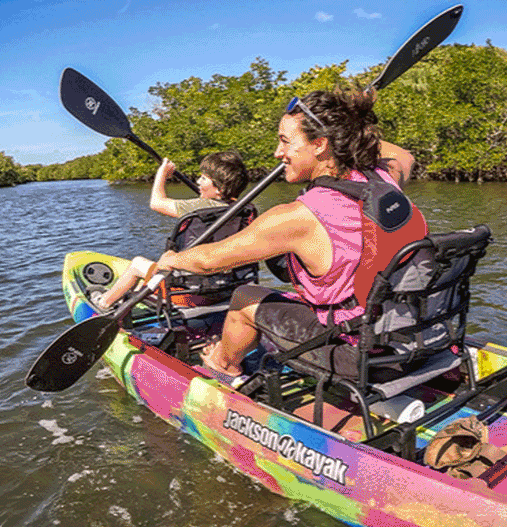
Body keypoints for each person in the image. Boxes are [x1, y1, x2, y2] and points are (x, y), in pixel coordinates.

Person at [154, 88, 422, 382]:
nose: (277, 153)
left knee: (245, 296)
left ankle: (223, 367)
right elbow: (402, 156)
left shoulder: (299, 216)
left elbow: (209, 260)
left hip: (357, 352)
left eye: (285, 141)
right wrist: (349, 119)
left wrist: (173, 259)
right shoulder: (384, 178)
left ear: (320, 145)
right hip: (404, 333)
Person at [91, 150, 249, 310]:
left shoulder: (199, 207)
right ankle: (129, 296)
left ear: (219, 189)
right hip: (229, 289)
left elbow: (156, 203)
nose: (198, 181)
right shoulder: (246, 210)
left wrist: (162, 173)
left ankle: (104, 302)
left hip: (189, 293)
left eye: (203, 178)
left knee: (137, 263)